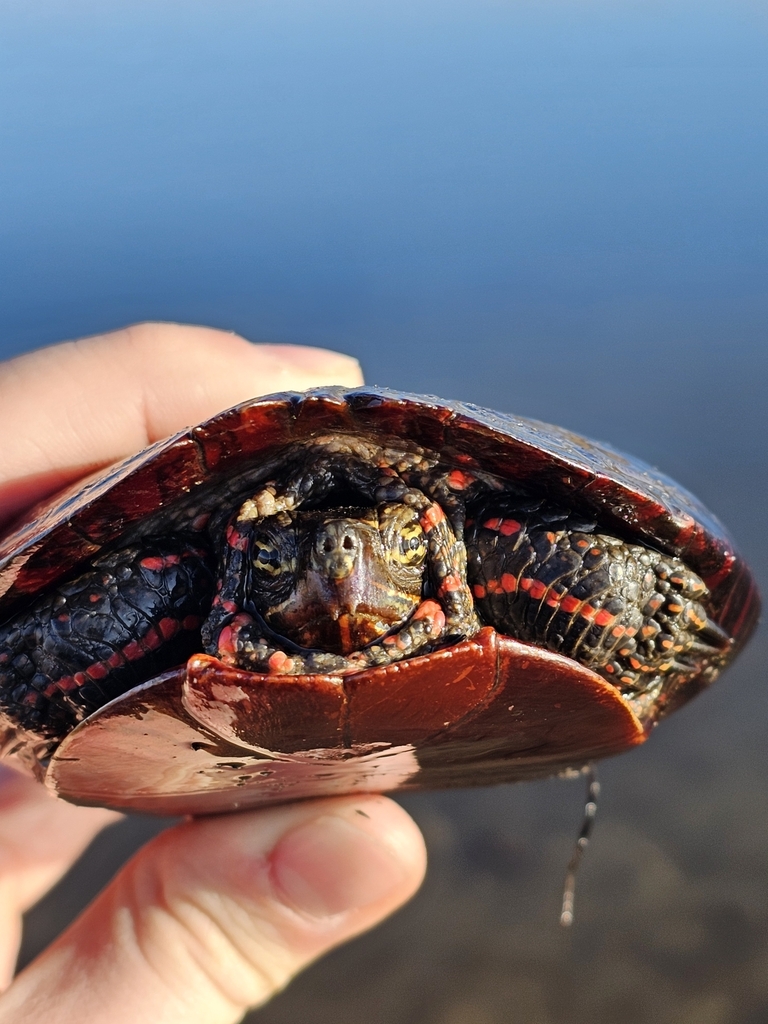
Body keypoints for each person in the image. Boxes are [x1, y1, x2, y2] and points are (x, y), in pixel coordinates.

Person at [0, 323, 427, 1024]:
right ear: (246, 555)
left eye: (399, 546)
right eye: (285, 554)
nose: (345, 563)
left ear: (434, 543)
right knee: (148, 592)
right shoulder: (192, 574)